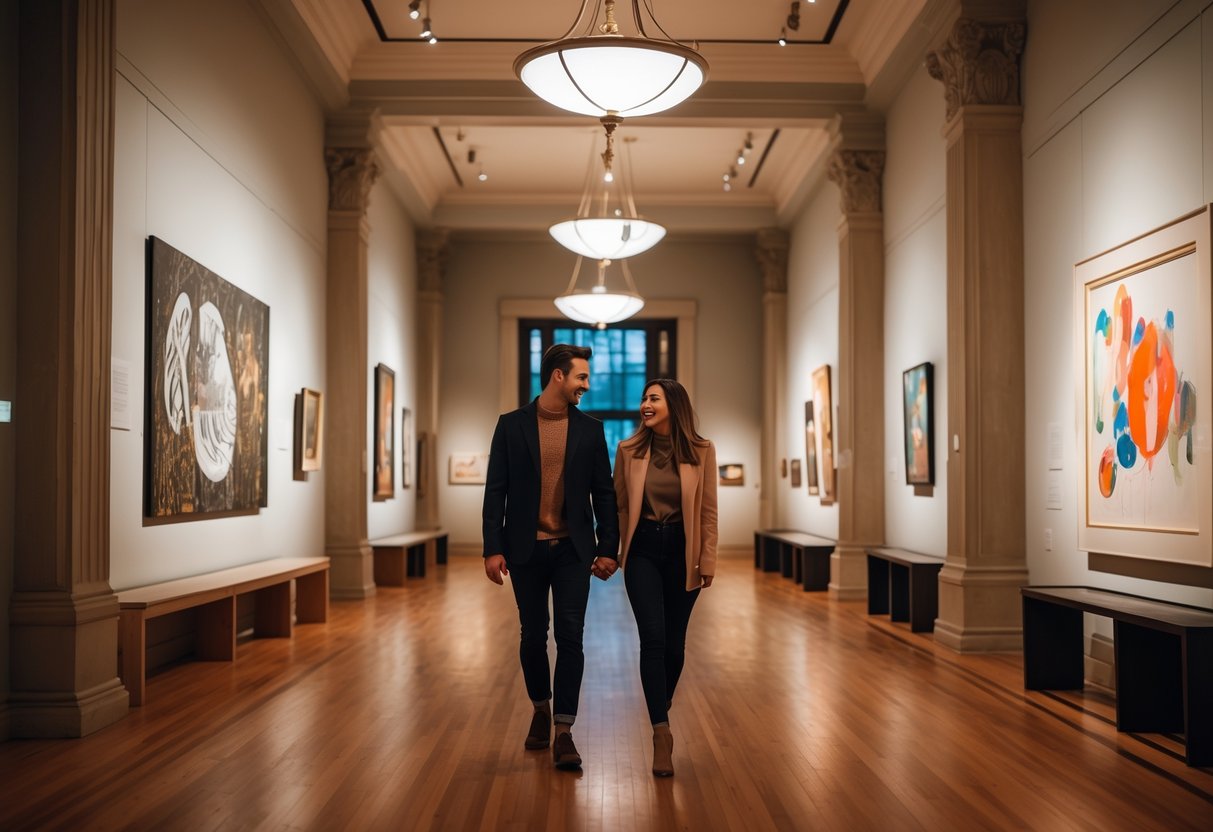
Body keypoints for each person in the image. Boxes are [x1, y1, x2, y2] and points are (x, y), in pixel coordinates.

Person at [482, 343, 620, 771]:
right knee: (532, 636)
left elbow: (604, 494)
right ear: (558, 376)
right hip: (524, 548)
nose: (586, 384)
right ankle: (540, 709)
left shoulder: (591, 429)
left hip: (572, 551)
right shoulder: (510, 426)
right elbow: (495, 491)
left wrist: (607, 548)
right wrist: (492, 547)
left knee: (572, 638)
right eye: (581, 376)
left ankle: (564, 729)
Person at [610, 378, 717, 777]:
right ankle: (661, 731)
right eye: (643, 399)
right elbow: (618, 504)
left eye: (653, 398)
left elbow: (708, 511)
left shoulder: (702, 451)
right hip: (642, 553)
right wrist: (613, 550)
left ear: (674, 404)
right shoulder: (629, 450)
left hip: (682, 553)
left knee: (674, 646)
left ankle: (660, 705)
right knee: (652, 640)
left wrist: (708, 560)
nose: (644, 405)